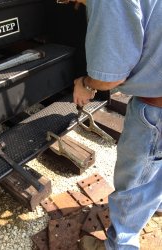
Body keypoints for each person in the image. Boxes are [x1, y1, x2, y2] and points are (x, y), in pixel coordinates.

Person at [70, 0, 162, 249]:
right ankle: (154, 203)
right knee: (155, 171)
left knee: (132, 187)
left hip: (156, 108)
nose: (75, 4)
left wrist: (86, 84)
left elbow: (110, 76)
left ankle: (120, 243)